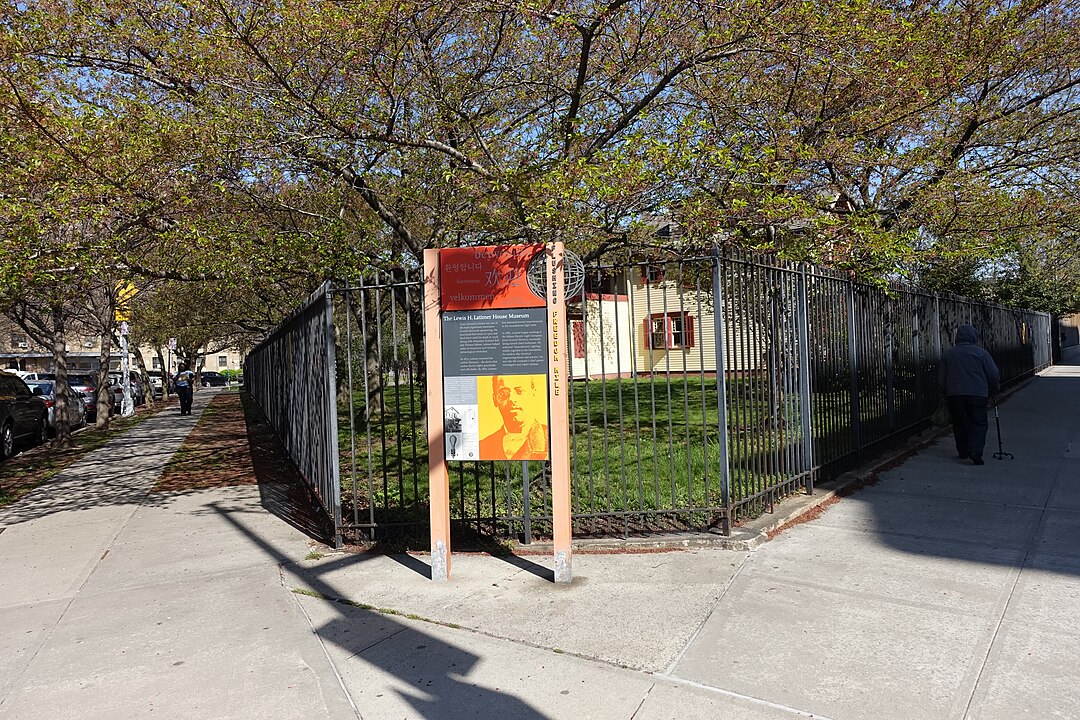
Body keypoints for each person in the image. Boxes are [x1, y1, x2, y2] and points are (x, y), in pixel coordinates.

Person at [939, 324, 1000, 465]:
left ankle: (963, 450)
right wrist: (995, 386)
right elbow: (993, 373)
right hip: (977, 393)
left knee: (959, 423)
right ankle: (975, 450)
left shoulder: (949, 354)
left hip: (955, 394)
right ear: (974, 337)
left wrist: (942, 393)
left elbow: (942, 377)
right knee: (978, 422)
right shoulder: (981, 353)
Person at [478, 375, 548, 461]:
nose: (511, 398)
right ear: (495, 399)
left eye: (519, 391)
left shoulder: (551, 437)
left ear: (533, 393)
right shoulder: (482, 447)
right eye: (503, 393)